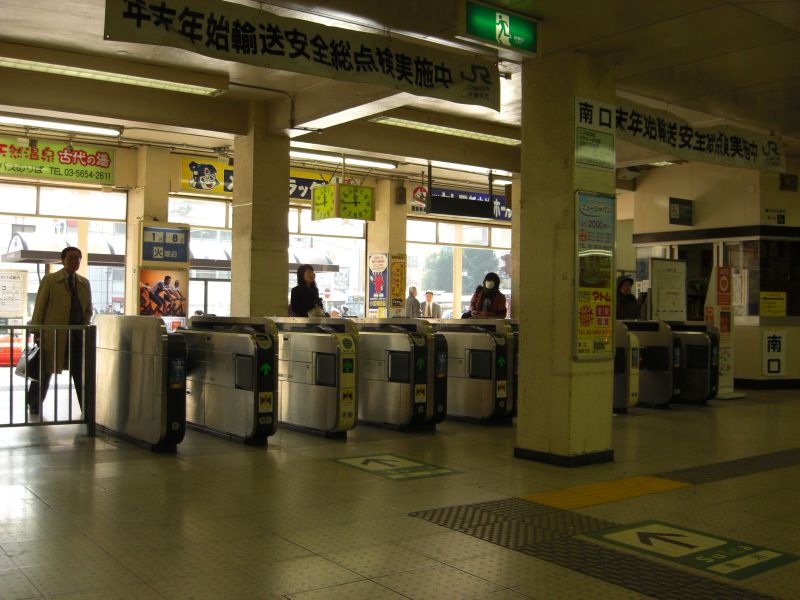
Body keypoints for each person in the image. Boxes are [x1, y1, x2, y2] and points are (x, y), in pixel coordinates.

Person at [26, 246, 93, 414]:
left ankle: (86, 408)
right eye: (71, 258)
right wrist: (37, 331)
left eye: (78, 258)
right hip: (53, 335)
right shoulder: (50, 280)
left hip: (76, 335)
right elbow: (40, 307)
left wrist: (84, 324)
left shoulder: (84, 283)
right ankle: (34, 403)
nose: (75, 261)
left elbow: (88, 309)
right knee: (44, 370)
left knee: (80, 371)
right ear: (62, 260)